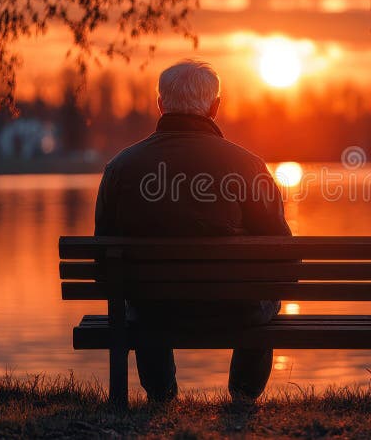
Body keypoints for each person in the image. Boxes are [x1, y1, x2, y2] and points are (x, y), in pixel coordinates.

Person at [93, 59, 291, 404]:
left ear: (159, 105)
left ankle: (161, 395)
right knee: (266, 294)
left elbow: (101, 255)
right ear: (215, 107)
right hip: (234, 308)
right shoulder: (248, 165)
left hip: (154, 309)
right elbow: (283, 252)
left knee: (143, 297)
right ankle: (244, 395)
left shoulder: (121, 167)